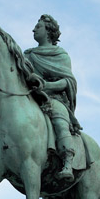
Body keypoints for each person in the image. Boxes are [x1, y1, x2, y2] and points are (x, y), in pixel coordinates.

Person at [24, 14, 81, 181]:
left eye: (38, 26)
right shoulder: (27, 55)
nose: (34, 29)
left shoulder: (61, 55)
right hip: (30, 97)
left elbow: (68, 81)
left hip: (53, 99)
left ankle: (67, 162)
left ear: (48, 31)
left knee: (58, 118)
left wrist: (47, 86)